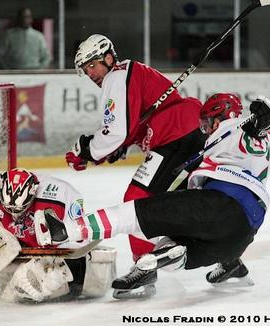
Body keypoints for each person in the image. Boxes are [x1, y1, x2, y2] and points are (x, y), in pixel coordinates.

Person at [38, 94, 270, 298]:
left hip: (219, 204)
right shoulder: (267, 140)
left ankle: (68, 230)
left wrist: (256, 124)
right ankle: (183, 255)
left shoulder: (230, 127)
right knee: (175, 253)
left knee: (132, 214)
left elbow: (244, 132)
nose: (205, 128)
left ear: (223, 116)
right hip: (243, 234)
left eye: (208, 121)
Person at [67, 34, 208, 293]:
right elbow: (130, 129)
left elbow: (116, 132)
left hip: (173, 134)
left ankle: (143, 267)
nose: (90, 73)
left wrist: (87, 150)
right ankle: (231, 259)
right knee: (193, 199)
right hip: (190, 130)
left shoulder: (115, 76)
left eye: (92, 65)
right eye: (86, 69)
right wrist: (114, 148)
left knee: (137, 197)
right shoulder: (130, 72)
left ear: (108, 58)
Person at [0, 168, 116, 303]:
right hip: (15, 247)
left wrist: (57, 244)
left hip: (48, 251)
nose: (15, 215)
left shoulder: (61, 195)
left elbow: (79, 241)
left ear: (34, 193)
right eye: (10, 210)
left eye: (21, 208)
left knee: (40, 281)